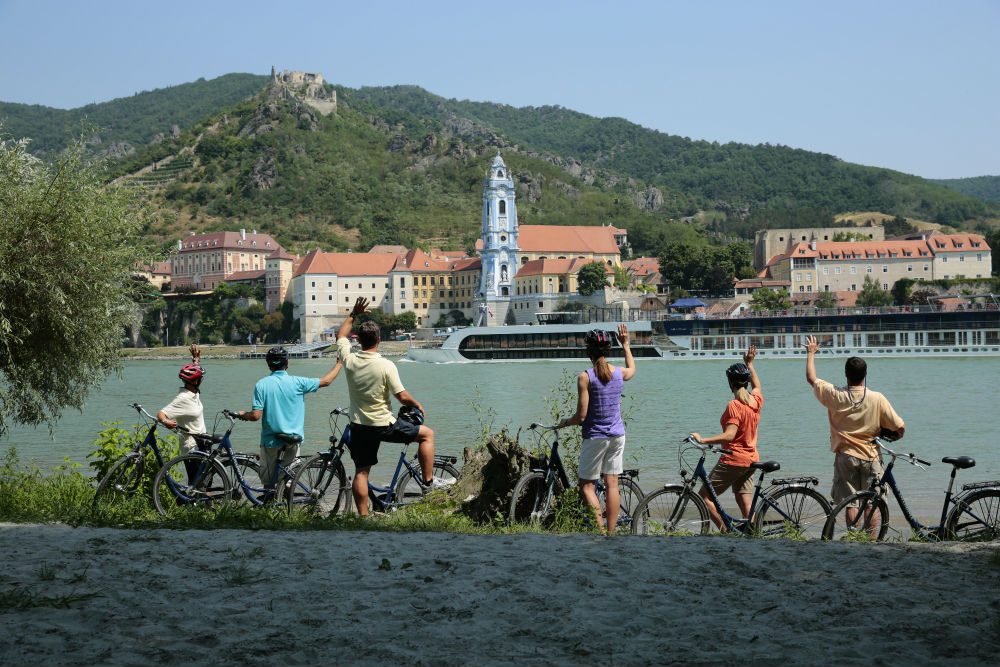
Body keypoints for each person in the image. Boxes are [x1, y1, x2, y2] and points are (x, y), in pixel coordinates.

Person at [337, 297, 448, 517]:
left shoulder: (349, 360)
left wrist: (353, 314)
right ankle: (428, 482)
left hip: (359, 425)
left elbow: (341, 335)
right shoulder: (386, 365)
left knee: (361, 472)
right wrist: (417, 404)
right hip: (383, 425)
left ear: (358, 340)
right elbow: (402, 396)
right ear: (378, 339)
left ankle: (364, 518)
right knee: (427, 435)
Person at [804, 335, 904, 524]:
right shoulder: (877, 398)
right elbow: (899, 428)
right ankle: (871, 541)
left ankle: (853, 539)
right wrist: (885, 434)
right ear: (865, 375)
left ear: (846, 374)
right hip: (871, 455)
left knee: (850, 503)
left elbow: (811, 378)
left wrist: (811, 353)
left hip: (846, 455)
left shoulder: (836, 395)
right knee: (872, 503)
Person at [556, 324, 636, 534]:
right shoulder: (618, 373)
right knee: (612, 484)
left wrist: (565, 422)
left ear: (588, 351)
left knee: (587, 487)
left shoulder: (586, 377)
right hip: (618, 435)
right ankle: (611, 533)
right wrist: (626, 345)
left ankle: (599, 531)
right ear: (608, 350)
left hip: (595, 437)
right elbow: (632, 370)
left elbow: (581, 415)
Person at [235, 347, 342, 493]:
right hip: (293, 440)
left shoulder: (262, 384)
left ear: (268, 364)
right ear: (287, 363)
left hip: (271, 441)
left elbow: (255, 416)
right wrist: (339, 364)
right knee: (289, 479)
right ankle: (288, 507)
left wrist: (242, 414)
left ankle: (270, 506)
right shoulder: (298, 382)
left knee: (269, 483)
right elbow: (326, 381)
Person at [691, 346, 763, 531]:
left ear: (730, 383)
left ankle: (726, 531)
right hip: (751, 459)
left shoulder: (734, 405)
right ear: (745, 382)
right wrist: (750, 364)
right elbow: (758, 386)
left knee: (704, 496)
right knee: (743, 498)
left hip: (734, 459)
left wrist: (703, 440)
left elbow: (730, 435)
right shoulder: (755, 401)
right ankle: (753, 535)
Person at [157, 344, 207, 482]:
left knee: (204, 482)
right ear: (194, 382)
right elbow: (161, 413)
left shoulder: (193, 393)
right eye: (200, 379)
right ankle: (195, 503)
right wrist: (166, 421)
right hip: (191, 448)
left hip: (201, 443)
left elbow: (194, 374)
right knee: (197, 485)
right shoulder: (182, 399)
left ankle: (204, 503)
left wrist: (195, 361)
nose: (201, 380)